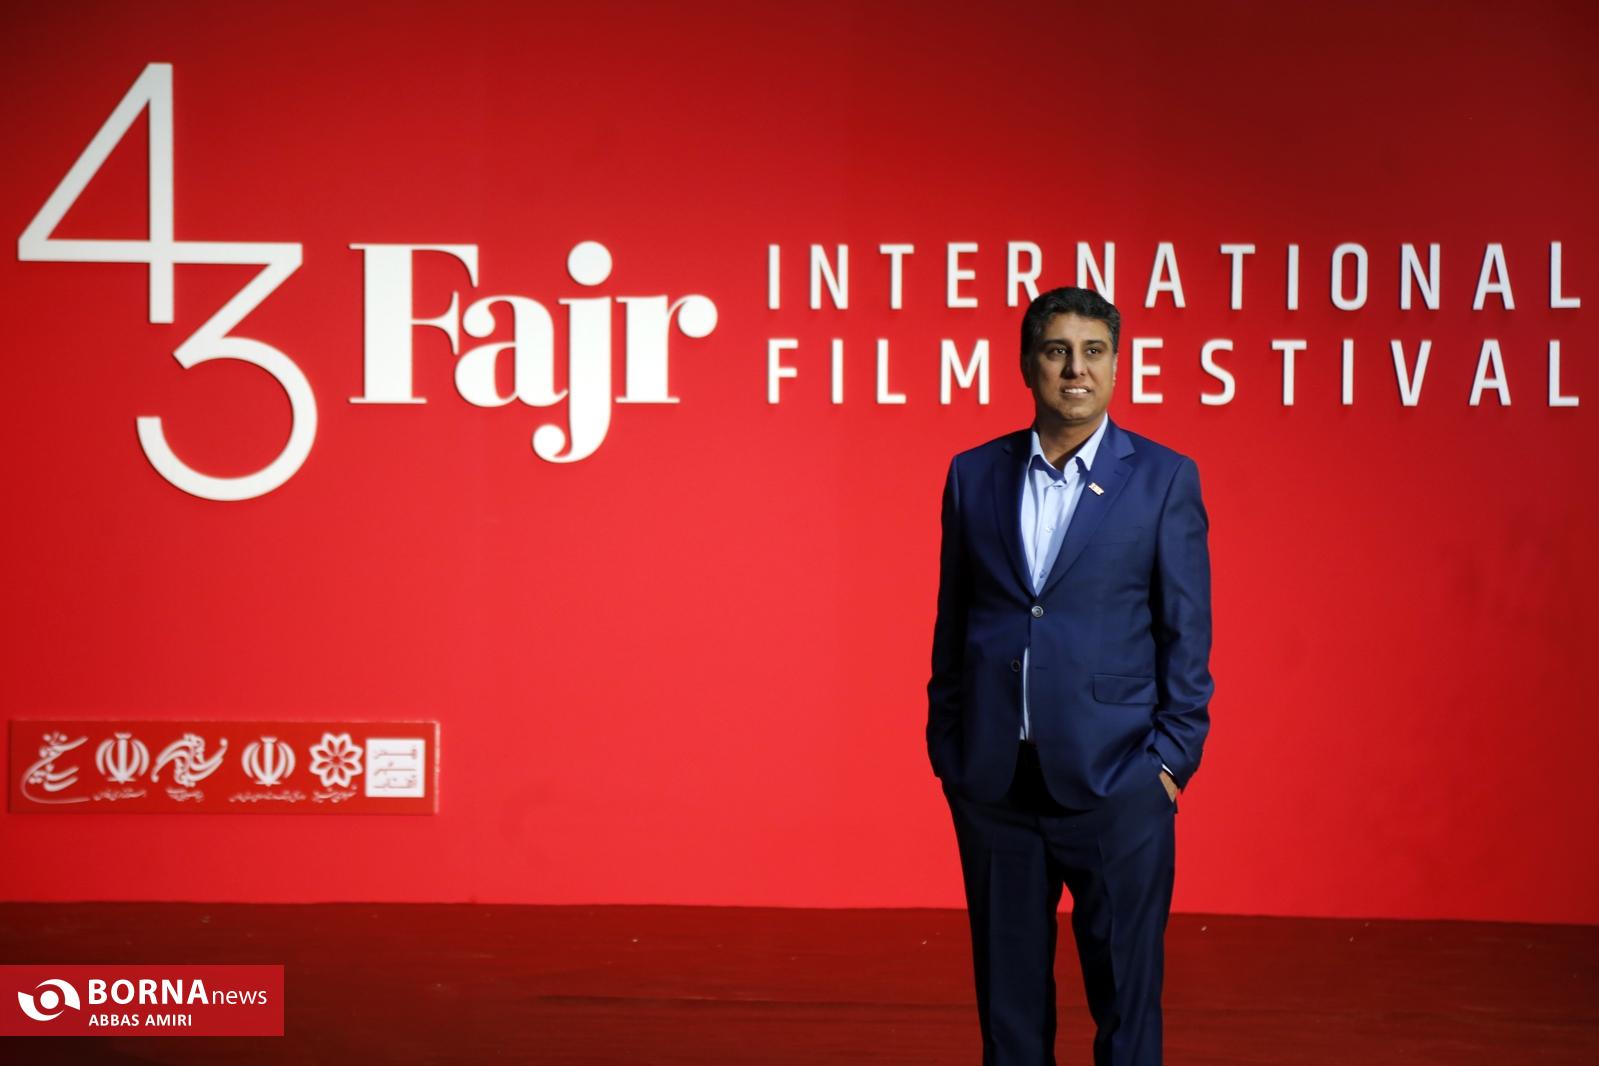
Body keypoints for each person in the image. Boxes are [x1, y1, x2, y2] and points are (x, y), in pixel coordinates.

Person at [926, 286, 1213, 1065]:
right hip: (995, 785)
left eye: (1093, 352)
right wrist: (951, 751)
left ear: (1116, 366)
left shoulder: (1162, 479)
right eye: (1056, 351)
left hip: (1118, 783)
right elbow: (954, 622)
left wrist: (1168, 763)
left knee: (1125, 1013)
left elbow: (1185, 633)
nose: (1075, 369)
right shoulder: (973, 475)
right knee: (1008, 1018)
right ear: (1028, 365)